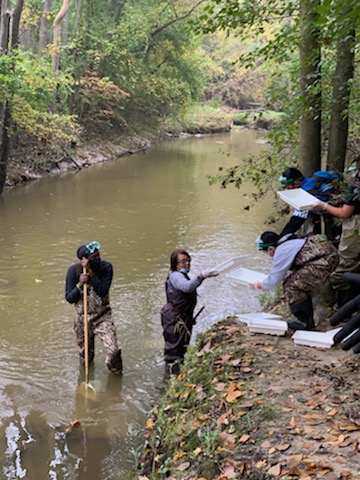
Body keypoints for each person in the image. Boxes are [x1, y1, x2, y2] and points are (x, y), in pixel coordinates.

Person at [253, 231, 339, 330]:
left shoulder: (281, 251)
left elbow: (274, 280)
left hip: (323, 261)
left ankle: (304, 322)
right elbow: (284, 272)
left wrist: (259, 285)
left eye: (264, 252)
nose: (266, 255)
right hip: (326, 256)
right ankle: (308, 318)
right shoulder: (288, 240)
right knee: (294, 279)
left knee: (291, 286)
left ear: (271, 249)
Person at [65, 241, 123, 375]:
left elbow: (102, 290)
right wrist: (80, 285)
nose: (98, 259)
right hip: (82, 318)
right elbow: (69, 297)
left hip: (102, 316)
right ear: (84, 260)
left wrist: (91, 274)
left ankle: (116, 373)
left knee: (114, 350)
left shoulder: (106, 267)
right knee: (85, 357)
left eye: (98, 255)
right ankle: (86, 377)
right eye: (94, 257)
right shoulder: (73, 271)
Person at [161, 249, 218, 375]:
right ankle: (171, 379)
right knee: (173, 351)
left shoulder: (181, 275)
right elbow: (187, 287)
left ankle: (179, 375)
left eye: (188, 260)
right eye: (183, 261)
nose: (187, 263)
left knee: (182, 347)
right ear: (176, 264)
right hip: (174, 319)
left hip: (183, 318)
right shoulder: (175, 276)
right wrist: (201, 276)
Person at [312, 157, 360, 306]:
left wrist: (323, 205)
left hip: (356, 227)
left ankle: (344, 309)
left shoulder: (357, 186)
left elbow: (345, 213)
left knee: (344, 270)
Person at [278, 167, 342, 241]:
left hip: (335, 216)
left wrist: (280, 238)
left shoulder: (305, 195)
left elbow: (296, 221)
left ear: (296, 184)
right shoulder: (319, 175)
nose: (287, 189)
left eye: (288, 186)